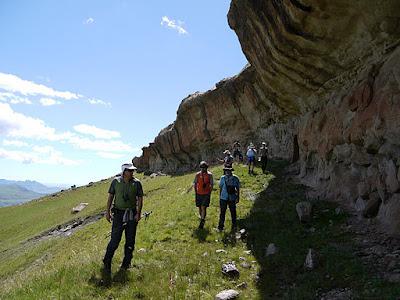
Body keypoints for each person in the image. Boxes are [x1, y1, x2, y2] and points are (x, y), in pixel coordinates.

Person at [103, 163, 143, 272]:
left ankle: (126, 264)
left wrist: (138, 213)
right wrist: (107, 212)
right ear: (124, 171)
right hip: (118, 214)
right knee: (115, 240)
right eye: (129, 170)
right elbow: (111, 196)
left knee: (130, 240)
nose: (131, 172)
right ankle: (107, 262)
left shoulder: (137, 183)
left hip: (131, 214)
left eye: (132, 171)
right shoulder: (116, 182)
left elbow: (140, 199)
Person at [218, 167, 240, 231]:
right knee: (222, 212)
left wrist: (238, 197)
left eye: (229, 170)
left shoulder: (235, 178)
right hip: (223, 197)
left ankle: (234, 226)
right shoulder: (222, 178)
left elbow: (238, 188)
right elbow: (221, 188)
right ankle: (220, 227)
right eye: (226, 170)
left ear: (231, 171)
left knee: (233, 212)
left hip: (232, 198)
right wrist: (220, 197)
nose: (227, 172)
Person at [193, 161, 214, 229]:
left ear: (206, 167)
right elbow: (195, 183)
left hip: (206, 193)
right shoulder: (197, 174)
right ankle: (202, 217)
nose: (203, 169)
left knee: (203, 207)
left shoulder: (210, 175)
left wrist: (209, 192)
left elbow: (212, 184)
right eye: (202, 167)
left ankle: (202, 221)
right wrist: (196, 191)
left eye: (204, 167)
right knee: (199, 207)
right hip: (199, 193)